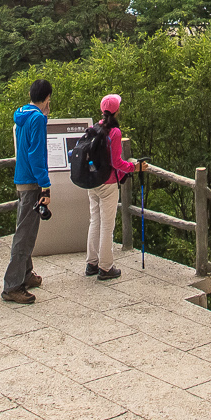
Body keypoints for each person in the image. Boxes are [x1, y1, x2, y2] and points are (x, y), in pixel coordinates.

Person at [2, 78, 52, 304]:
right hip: (32, 181)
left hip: (20, 177)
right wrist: (45, 184)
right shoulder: (38, 119)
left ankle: (26, 273)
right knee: (25, 234)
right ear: (47, 97)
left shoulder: (21, 114)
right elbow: (37, 153)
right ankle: (12, 286)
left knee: (26, 227)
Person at [84, 93, 137, 282]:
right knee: (107, 225)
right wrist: (133, 167)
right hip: (108, 183)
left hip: (93, 181)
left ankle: (92, 263)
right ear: (116, 111)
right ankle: (106, 268)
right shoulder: (114, 132)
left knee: (94, 221)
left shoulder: (94, 128)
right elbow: (116, 162)